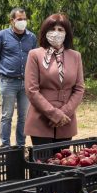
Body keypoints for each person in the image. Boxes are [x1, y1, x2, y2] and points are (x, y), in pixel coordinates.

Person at [24, 13, 85, 145]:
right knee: (42, 162)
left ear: (66, 33)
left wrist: (64, 113)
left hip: (66, 119)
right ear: (45, 31)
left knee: (63, 161)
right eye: (52, 29)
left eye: (60, 30)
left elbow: (79, 88)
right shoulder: (35, 55)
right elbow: (31, 90)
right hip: (41, 118)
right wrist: (53, 114)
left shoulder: (75, 56)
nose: (56, 33)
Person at [0, 8, 38, 147]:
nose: (23, 22)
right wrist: (2, 71)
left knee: (24, 117)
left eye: (24, 19)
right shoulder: (1, 36)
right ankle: (5, 146)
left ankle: (20, 145)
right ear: (12, 21)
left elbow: (34, 58)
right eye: (19, 19)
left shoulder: (31, 37)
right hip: (8, 81)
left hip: (26, 82)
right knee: (7, 116)